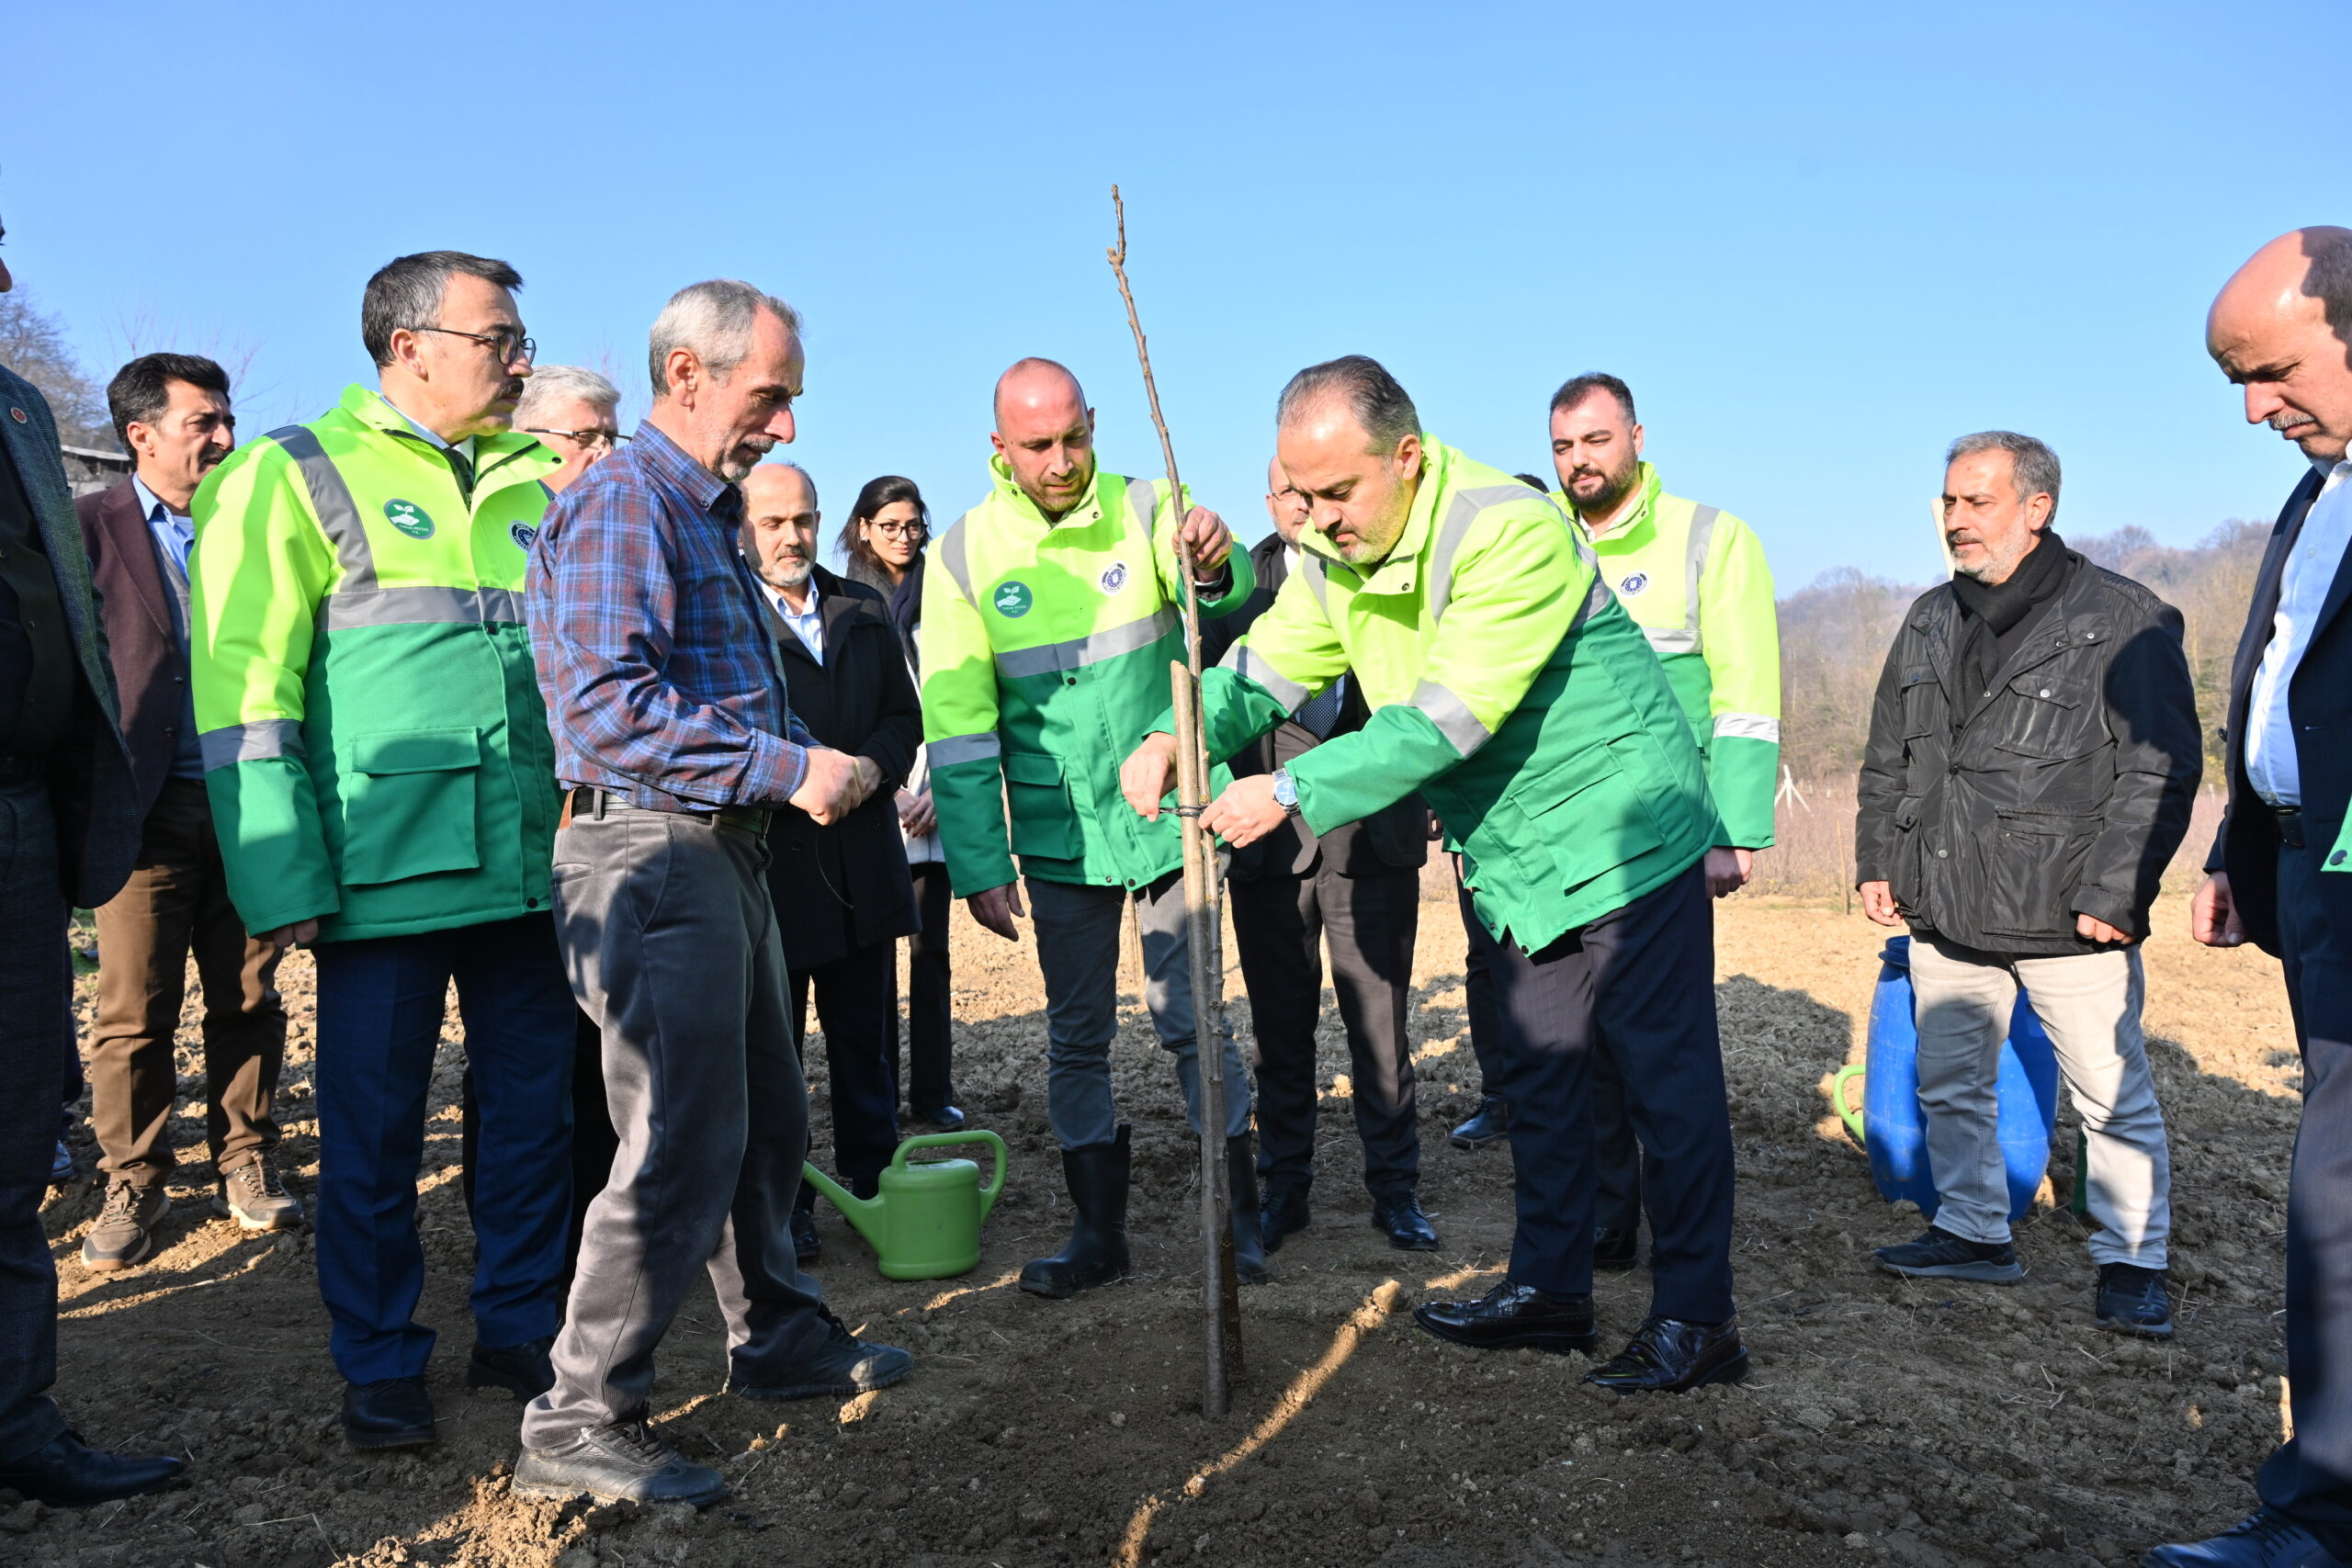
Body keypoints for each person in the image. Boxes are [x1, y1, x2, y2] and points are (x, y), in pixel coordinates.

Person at [1124, 355, 1743, 1391]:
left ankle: (1698, 1320)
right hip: (1520, 854)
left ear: (1406, 458)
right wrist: (1175, 733)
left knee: (1659, 1085)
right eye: (1300, 495)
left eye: (1336, 494)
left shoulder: (1506, 529)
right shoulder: (1334, 556)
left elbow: (1443, 722)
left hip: (1624, 833)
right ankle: (1550, 1292)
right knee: (1541, 1080)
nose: (1314, 520)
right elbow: (1263, 669)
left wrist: (1286, 792)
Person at [523, 279, 910, 1507]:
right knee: (681, 1133)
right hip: (649, 854)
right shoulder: (623, 504)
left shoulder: (701, 516)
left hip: (719, 852)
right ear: (688, 374)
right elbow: (604, 707)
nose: (786, 425)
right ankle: (577, 1414)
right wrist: (794, 765)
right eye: (770, 396)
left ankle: (778, 1332)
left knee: (762, 1118)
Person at [190, 251, 580, 1449]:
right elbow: (244, 692)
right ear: (410, 345)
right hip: (380, 874)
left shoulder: (538, 481)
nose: (520, 359)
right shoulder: (291, 474)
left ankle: (521, 1327)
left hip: (531, 866)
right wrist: (281, 877)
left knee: (533, 1117)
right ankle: (380, 1362)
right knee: (373, 1134)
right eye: (497, 338)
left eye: (520, 340)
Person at [922, 357, 1261, 1299]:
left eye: (1076, 437)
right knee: (1076, 1037)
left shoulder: (1150, 505)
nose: (1063, 460)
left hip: (1172, 816)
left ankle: (1239, 1219)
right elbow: (955, 729)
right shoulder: (961, 559)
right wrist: (979, 864)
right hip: (1057, 832)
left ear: (1095, 424)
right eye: (1038, 446)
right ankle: (1097, 1234)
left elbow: (1222, 604)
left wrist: (1213, 561)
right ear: (999, 448)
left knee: (1191, 1019)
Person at [1853, 432, 2196, 1337]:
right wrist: (1878, 860)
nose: (1956, 521)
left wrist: (2114, 893)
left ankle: (2132, 1260)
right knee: (1949, 1079)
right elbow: (1888, 754)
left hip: (2065, 908)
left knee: (2108, 1094)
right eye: (1949, 503)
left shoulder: (2122, 618)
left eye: (1978, 502)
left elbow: (2159, 768)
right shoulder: (1928, 617)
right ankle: (1971, 1228)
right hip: (1944, 902)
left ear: (2036, 508)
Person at [2156, 226, 2352, 1568]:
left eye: (2273, 368)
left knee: (2335, 1199)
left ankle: (2321, 1512)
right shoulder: (2319, 492)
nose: (2252, 406)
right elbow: (2290, 683)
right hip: (2314, 871)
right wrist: (2243, 839)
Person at [0, 211, 187, 1505]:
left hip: (18, 816)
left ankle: (19, 1420)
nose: (7, 277)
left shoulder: (16, 413)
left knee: (12, 1143)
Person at [1524, 373, 1781, 1273]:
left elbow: (1745, 696)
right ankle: (1604, 1221)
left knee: (1660, 1058)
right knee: (1578, 1052)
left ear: (1635, 436)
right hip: (1566, 838)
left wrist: (1732, 828)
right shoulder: (1539, 541)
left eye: (1594, 441)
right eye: (1561, 447)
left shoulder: (1708, 539)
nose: (1578, 462)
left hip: (1665, 835)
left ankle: (1690, 1267)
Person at [76, 353, 298, 1273]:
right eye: (202, 422)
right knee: (134, 1007)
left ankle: (246, 1156)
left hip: (250, 797)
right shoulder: (88, 527)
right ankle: (134, 1177)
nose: (223, 438)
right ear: (141, 435)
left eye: (226, 418)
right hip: (143, 804)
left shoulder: (252, 524)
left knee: (249, 992)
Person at [1200, 458, 1434, 1253]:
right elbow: (1213, 684)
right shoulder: (1239, 585)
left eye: (1319, 491)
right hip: (1271, 848)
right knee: (1280, 1027)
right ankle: (1286, 1187)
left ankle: (1395, 1190)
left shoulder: (1389, 566)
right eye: (1289, 495)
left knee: (1381, 1026)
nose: (1306, 508)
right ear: (1270, 500)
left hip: (1376, 836)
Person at [740, 462, 922, 1264]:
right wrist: (801, 783)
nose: (791, 536)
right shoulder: (730, 614)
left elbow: (901, 716)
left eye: (803, 519)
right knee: (776, 1053)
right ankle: (789, 1203)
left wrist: (873, 773)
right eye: (773, 521)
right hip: (776, 867)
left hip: (864, 859)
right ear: (744, 528)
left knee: (866, 1039)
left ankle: (876, 1183)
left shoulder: (862, 607)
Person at [839, 475, 963, 1133]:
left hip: (933, 796)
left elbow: (958, 694)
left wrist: (941, 786)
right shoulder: (846, 603)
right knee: (876, 959)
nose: (904, 538)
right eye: (889, 526)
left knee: (931, 952)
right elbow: (849, 709)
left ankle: (933, 1091)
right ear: (862, 529)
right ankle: (880, 1093)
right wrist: (888, 790)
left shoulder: (944, 597)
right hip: (877, 798)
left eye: (913, 525)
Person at [513, 365, 627, 493]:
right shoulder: (487, 506)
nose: (608, 454)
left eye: (611, 439)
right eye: (586, 436)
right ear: (521, 441)